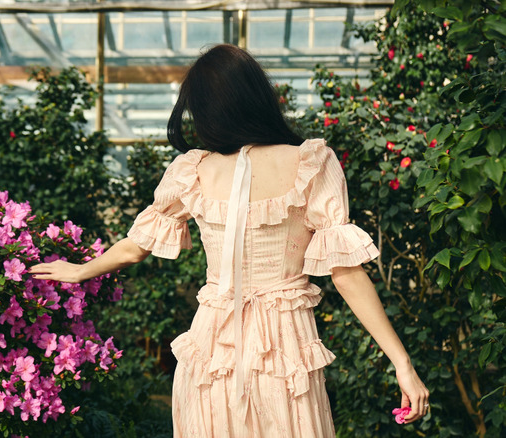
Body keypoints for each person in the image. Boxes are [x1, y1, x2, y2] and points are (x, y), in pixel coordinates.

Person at [28, 44, 428, 437]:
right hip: (283, 353)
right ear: (257, 96)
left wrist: (82, 271)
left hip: (211, 352)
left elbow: (135, 248)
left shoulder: (193, 170)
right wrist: (402, 364)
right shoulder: (311, 162)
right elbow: (345, 274)